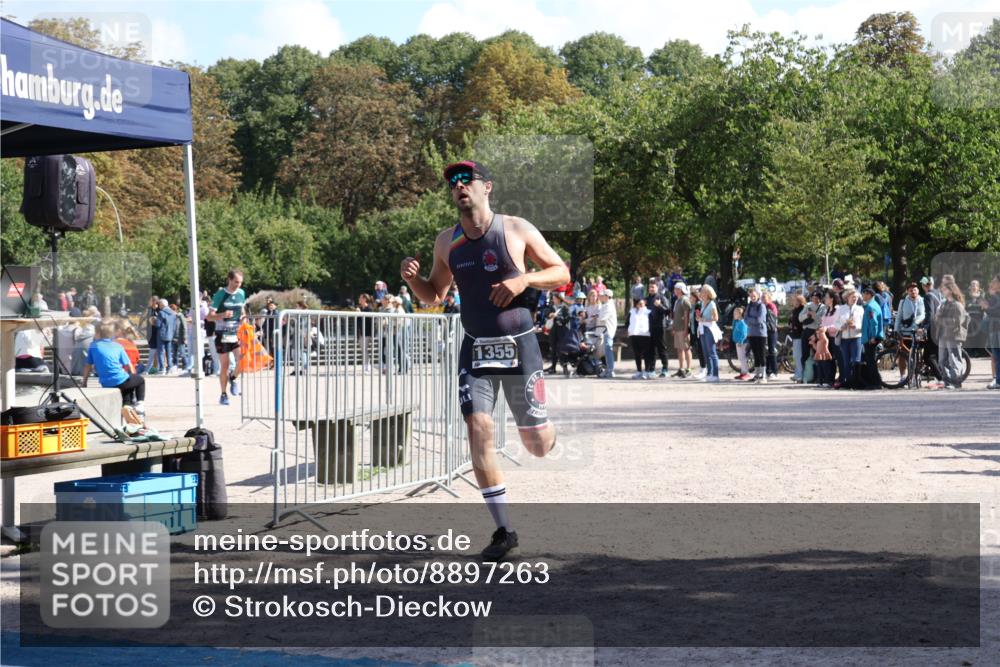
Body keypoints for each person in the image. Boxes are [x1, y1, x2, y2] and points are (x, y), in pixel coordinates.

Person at [400, 160, 569, 562]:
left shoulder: (515, 228)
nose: (459, 187)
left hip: (520, 344)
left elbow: (561, 271)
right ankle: (503, 530)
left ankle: (546, 428)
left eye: (466, 180)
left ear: (486, 187)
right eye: (453, 183)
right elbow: (435, 295)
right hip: (475, 346)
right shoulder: (447, 241)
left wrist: (524, 279)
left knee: (538, 445)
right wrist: (412, 280)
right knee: (478, 428)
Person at [82, 322, 146, 415]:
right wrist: (133, 376)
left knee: (127, 387)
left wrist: (84, 382)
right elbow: (129, 366)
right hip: (120, 380)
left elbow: (88, 366)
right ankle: (139, 405)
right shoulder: (117, 346)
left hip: (106, 382)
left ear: (98, 333)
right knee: (139, 380)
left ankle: (126, 406)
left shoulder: (93, 345)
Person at [207, 270, 247, 405]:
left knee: (243, 360)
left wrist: (243, 317)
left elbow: (242, 309)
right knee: (225, 365)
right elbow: (209, 316)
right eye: (236, 282)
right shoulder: (220, 295)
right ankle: (223, 394)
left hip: (236, 333)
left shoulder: (241, 293)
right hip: (222, 333)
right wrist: (222, 314)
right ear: (229, 280)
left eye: (240, 282)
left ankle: (233, 378)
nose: (238, 285)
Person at [934, 282, 969, 390]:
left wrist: (940, 318)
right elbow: (936, 318)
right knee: (942, 360)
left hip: (953, 335)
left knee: (954, 359)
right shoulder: (944, 303)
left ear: (951, 290)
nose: (942, 291)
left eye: (944, 289)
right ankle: (947, 381)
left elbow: (957, 321)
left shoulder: (957, 304)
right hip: (943, 334)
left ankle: (956, 382)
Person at [894, 283, 926, 381]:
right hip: (905, 331)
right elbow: (899, 316)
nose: (913, 292)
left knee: (917, 354)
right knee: (902, 354)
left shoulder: (922, 300)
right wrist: (896, 329)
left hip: (918, 331)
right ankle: (903, 376)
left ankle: (916, 374)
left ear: (918, 291)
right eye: (910, 290)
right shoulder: (903, 302)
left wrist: (916, 322)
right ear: (907, 291)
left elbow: (923, 314)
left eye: (914, 290)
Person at [837, 288, 864, 389]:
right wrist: (841, 326)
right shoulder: (841, 309)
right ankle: (848, 382)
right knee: (846, 361)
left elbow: (863, 324)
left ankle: (856, 382)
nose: (855, 298)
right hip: (844, 338)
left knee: (856, 360)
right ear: (847, 297)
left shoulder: (860, 309)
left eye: (856, 297)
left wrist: (855, 327)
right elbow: (836, 323)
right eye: (853, 297)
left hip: (856, 337)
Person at [644, 278, 671, 377]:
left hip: (660, 326)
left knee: (662, 348)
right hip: (649, 327)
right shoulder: (646, 299)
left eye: (653, 287)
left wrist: (659, 305)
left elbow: (668, 311)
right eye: (649, 287)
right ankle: (651, 369)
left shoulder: (662, 297)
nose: (651, 289)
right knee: (651, 349)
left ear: (657, 287)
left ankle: (665, 369)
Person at [860, 287, 885, 389]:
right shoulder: (872, 305)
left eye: (864, 294)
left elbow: (874, 323)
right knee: (871, 361)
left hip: (871, 337)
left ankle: (876, 383)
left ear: (869, 294)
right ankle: (876, 381)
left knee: (871, 362)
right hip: (870, 336)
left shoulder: (871, 307)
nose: (863, 296)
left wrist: (873, 337)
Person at [696, 284, 721, 382]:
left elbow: (716, 318)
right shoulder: (702, 303)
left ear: (707, 293)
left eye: (702, 291)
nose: (700, 293)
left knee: (712, 352)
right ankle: (709, 373)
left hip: (709, 329)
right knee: (706, 353)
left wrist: (704, 319)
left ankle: (715, 375)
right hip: (702, 328)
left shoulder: (712, 304)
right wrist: (699, 318)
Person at [979, 275, 1000, 389]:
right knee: (996, 357)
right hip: (993, 330)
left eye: (994, 281)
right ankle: (998, 381)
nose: (992, 283)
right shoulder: (994, 296)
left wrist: (986, 307)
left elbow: (996, 312)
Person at [744, 286, 768, 383]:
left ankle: (763, 375)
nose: (752, 297)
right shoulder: (749, 306)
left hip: (760, 333)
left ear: (758, 295)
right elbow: (745, 318)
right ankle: (757, 374)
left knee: (761, 354)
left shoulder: (761, 306)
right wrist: (751, 320)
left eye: (754, 295)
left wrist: (750, 320)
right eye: (751, 295)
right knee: (755, 354)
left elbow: (760, 319)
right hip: (751, 333)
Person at [671, 283, 692, 378]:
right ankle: (681, 369)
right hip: (677, 328)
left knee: (686, 348)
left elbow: (687, 315)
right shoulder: (677, 300)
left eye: (676, 289)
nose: (674, 290)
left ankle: (689, 369)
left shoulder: (684, 300)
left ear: (680, 289)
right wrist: (674, 327)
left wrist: (686, 329)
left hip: (683, 329)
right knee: (679, 349)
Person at [627, 297, 652, 379]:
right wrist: (629, 330)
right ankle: (639, 371)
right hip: (634, 335)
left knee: (646, 354)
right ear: (636, 304)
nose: (641, 305)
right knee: (637, 354)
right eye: (639, 304)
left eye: (642, 303)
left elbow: (651, 323)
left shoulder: (648, 312)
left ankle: (646, 371)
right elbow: (627, 322)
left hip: (645, 335)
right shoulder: (632, 312)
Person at [596, 289, 617, 378]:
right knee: (606, 350)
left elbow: (602, 318)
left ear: (607, 297)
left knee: (608, 349)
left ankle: (610, 371)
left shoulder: (609, 306)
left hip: (608, 331)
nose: (600, 297)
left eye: (602, 295)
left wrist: (596, 316)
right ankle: (608, 369)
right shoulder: (605, 305)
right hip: (604, 331)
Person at [155, 298, 177, 375]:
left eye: (159, 305)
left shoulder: (161, 313)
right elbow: (175, 325)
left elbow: (158, 324)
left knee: (160, 352)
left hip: (161, 334)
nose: (158, 306)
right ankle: (169, 367)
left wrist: (154, 320)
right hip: (170, 334)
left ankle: (162, 368)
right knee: (168, 352)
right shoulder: (173, 313)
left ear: (162, 305)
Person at [788, 293, 806, 383]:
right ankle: (797, 373)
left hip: (799, 334)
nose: (793, 301)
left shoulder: (802, 309)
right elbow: (791, 320)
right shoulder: (795, 310)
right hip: (794, 335)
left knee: (798, 355)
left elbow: (802, 321)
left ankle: (800, 374)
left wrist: (796, 326)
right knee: (795, 355)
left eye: (795, 300)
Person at [762, 290, 779, 379]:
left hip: (771, 331)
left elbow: (772, 319)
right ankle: (768, 371)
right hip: (765, 331)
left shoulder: (771, 306)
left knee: (772, 351)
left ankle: (774, 372)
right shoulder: (763, 306)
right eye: (762, 297)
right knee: (767, 351)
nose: (762, 299)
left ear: (769, 298)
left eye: (764, 297)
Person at [731, 306, 750, 380]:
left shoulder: (742, 322)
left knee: (743, 358)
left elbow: (744, 333)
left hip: (742, 343)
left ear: (740, 314)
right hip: (738, 342)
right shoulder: (737, 321)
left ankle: (746, 373)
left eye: (735, 313)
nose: (734, 314)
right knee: (740, 357)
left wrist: (741, 341)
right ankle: (743, 372)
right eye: (734, 313)